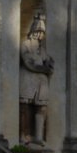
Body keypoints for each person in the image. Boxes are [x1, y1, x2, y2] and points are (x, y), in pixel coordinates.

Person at [20, 12, 53, 145]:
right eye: (38, 32)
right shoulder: (26, 44)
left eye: (42, 33)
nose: (40, 35)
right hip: (27, 79)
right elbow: (28, 61)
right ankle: (23, 135)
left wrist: (48, 64)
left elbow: (48, 61)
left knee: (42, 108)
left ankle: (38, 136)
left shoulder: (41, 49)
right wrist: (43, 68)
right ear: (33, 31)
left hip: (41, 82)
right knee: (25, 107)